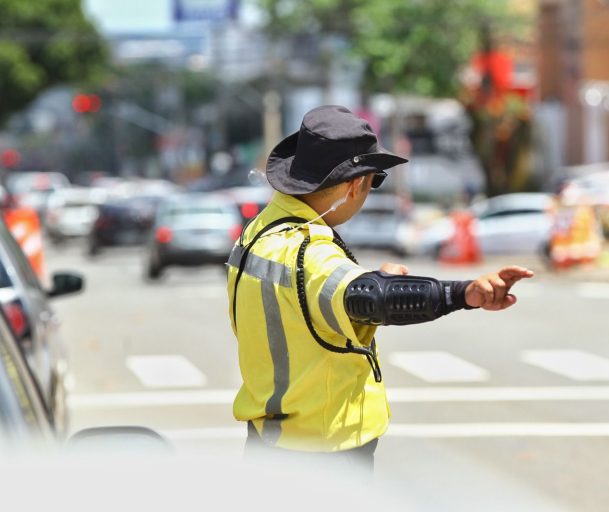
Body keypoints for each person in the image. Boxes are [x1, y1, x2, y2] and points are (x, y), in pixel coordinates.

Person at [226, 105, 533, 471]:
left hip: (268, 437)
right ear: (356, 184)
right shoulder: (308, 251)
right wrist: (463, 293)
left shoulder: (260, 229)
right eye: (374, 181)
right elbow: (370, 297)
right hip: (322, 454)